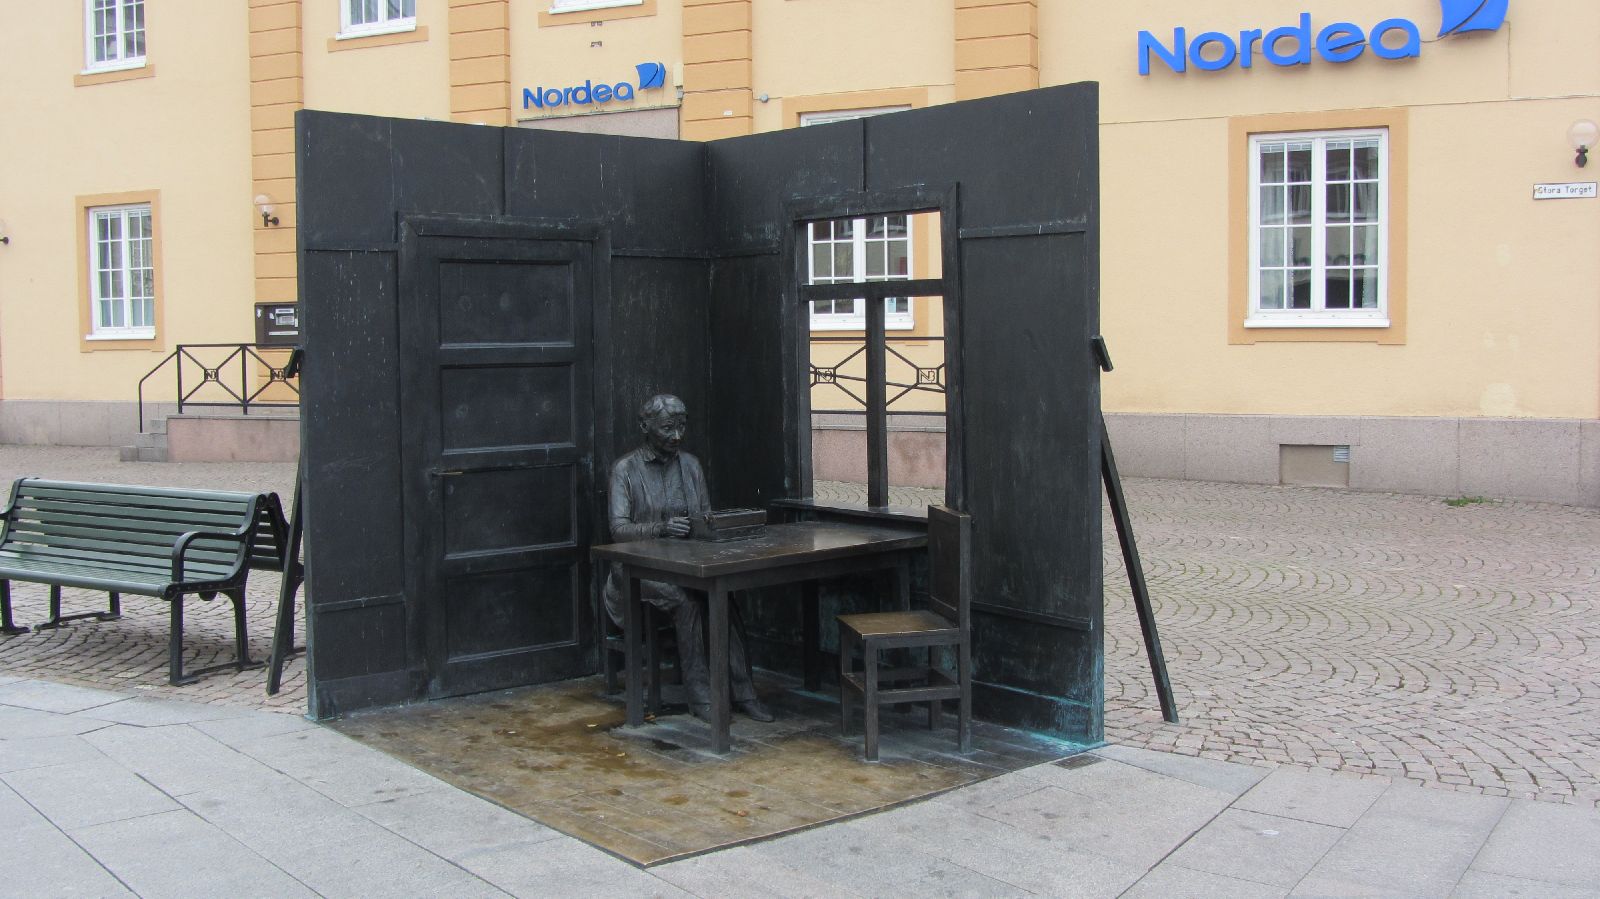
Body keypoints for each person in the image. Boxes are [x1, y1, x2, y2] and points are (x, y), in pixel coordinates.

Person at [603, 394, 774, 723]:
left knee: (723, 597)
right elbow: (618, 530)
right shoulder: (625, 470)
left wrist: (708, 527)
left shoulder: (691, 466)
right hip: (637, 569)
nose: (677, 436)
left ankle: (744, 692)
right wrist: (661, 528)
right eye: (668, 428)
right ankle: (700, 696)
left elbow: (704, 519)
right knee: (686, 602)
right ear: (645, 427)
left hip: (687, 563)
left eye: (681, 427)